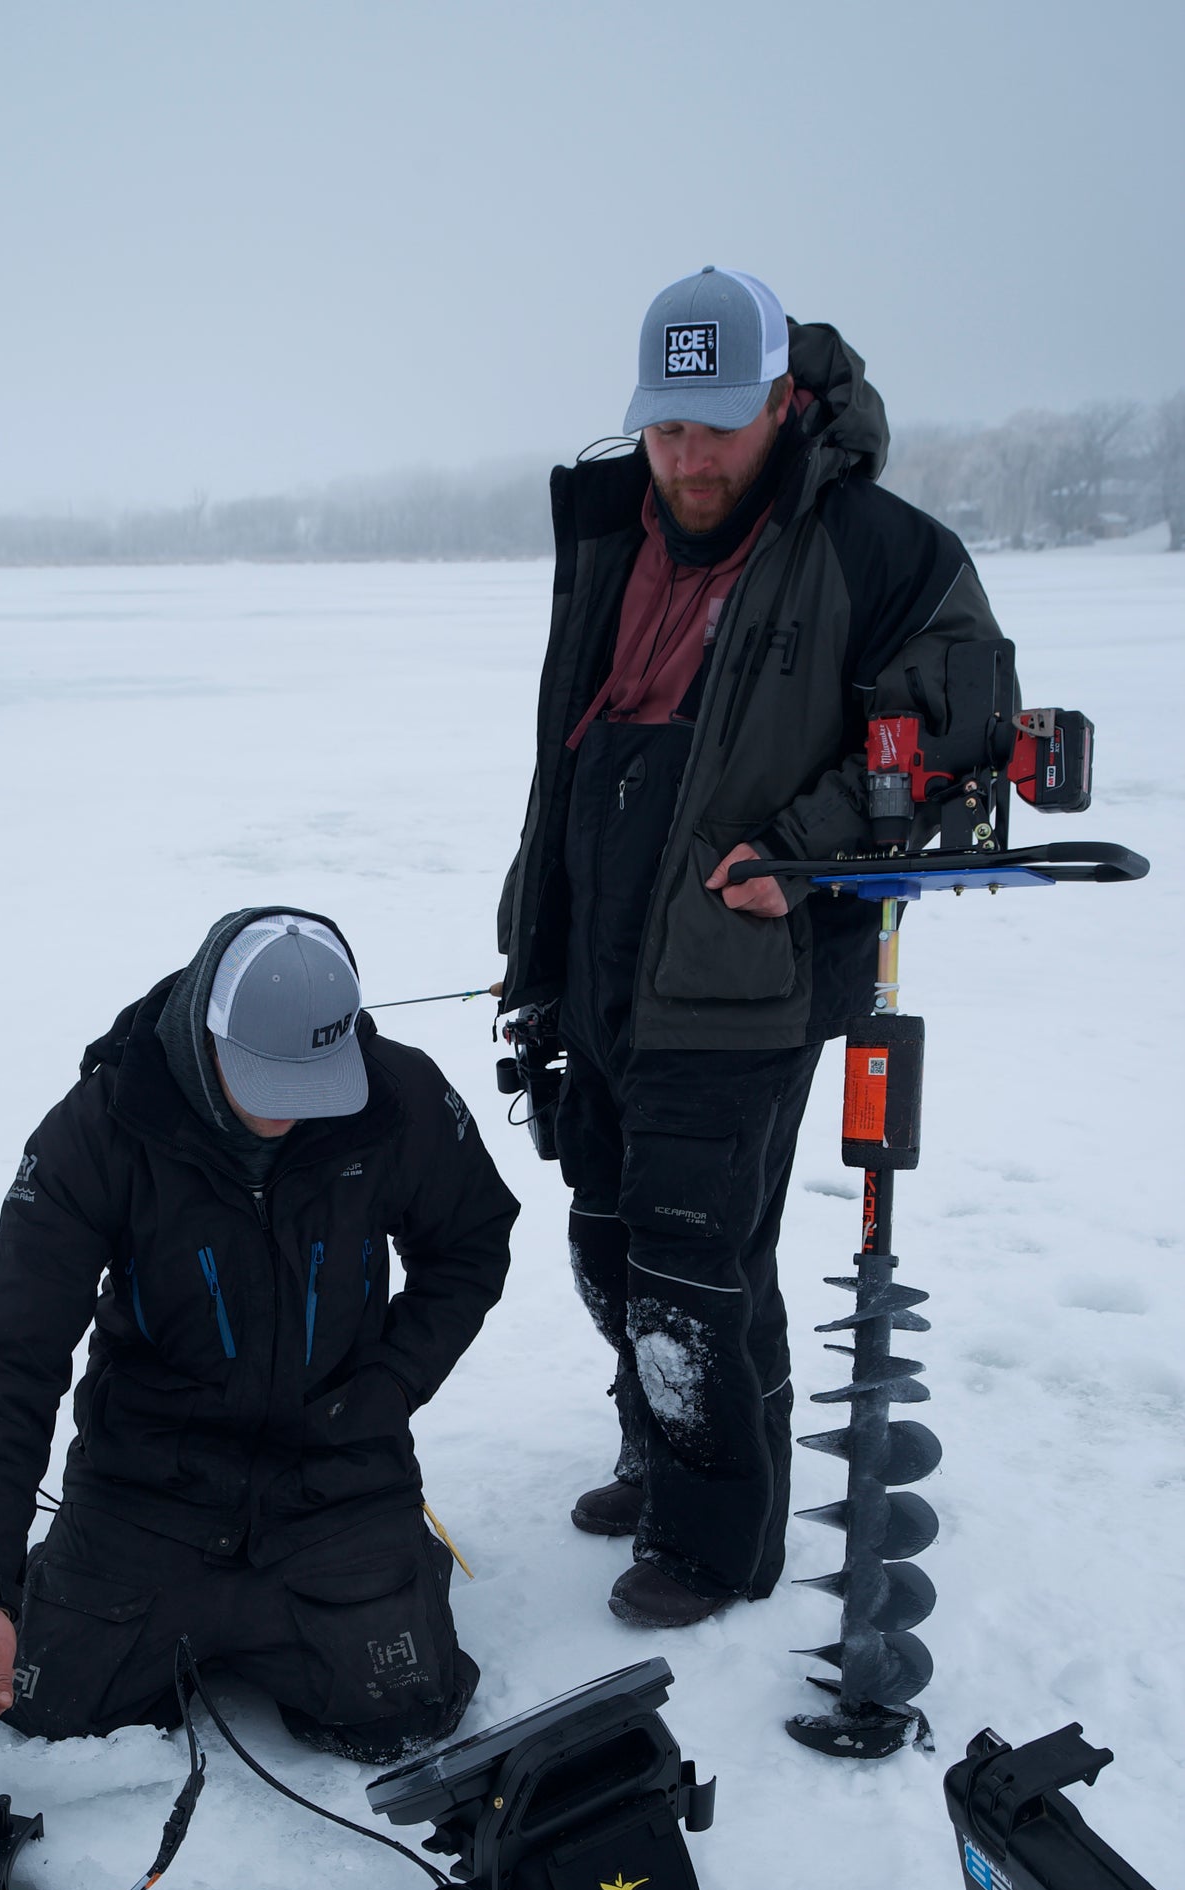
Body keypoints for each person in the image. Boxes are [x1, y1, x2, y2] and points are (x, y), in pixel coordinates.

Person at [496, 266, 1010, 1628]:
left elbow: (957, 733)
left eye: (717, 426)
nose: (689, 458)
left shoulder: (880, 550)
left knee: (688, 1265)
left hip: (741, 972)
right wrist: (535, 943)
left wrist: (809, 844)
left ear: (784, 400)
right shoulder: (613, 531)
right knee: (608, 1242)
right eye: (667, 428)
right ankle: (664, 1452)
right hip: (601, 956)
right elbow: (573, 760)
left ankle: (719, 1541)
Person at [0, 907, 518, 1760]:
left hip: (335, 1472)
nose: (288, 1116)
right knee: (40, 1709)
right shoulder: (101, 1127)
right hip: (148, 1485)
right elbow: (6, 1354)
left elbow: (470, 1243)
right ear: (206, 1036)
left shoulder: (399, 1096)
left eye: (310, 1087)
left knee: (407, 1714)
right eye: (266, 1084)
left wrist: (391, 1381)